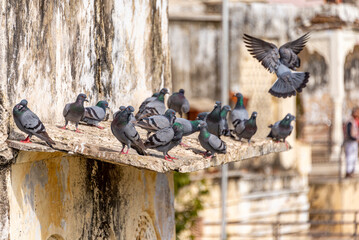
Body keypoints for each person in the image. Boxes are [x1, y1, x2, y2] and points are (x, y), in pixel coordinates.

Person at [344, 107, 359, 178]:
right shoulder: (350, 121)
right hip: (350, 142)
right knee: (350, 157)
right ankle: (348, 172)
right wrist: (355, 139)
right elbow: (349, 133)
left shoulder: (354, 121)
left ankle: (351, 172)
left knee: (354, 157)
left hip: (354, 142)